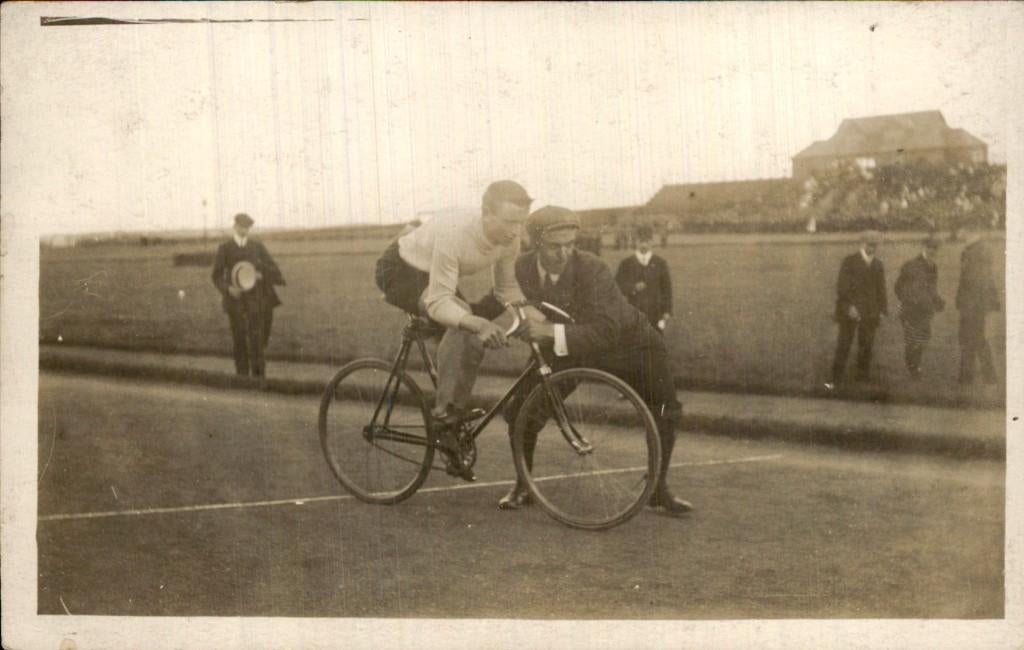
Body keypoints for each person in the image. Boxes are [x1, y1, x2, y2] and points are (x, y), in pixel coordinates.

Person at [499, 206, 693, 516]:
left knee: (666, 410)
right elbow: (500, 298)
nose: (564, 253)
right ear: (535, 243)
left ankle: (658, 488)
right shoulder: (522, 267)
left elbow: (607, 330)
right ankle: (524, 484)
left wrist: (546, 331)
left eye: (570, 244)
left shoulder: (592, 268)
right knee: (521, 408)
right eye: (554, 246)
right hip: (571, 344)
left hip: (629, 344)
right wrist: (464, 317)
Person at [373, 180, 535, 480]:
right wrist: (477, 323)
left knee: (464, 324)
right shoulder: (455, 232)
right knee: (466, 324)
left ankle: (451, 423)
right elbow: (438, 302)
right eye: (509, 221)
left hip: (435, 272)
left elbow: (506, 289)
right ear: (486, 213)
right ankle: (444, 418)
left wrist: (530, 316)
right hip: (400, 271)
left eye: (521, 222)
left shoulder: (509, 240)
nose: (516, 231)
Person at [211, 213, 286, 378]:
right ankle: (242, 378)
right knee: (239, 339)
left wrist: (261, 274)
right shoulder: (225, 248)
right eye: (241, 226)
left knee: (257, 340)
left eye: (247, 227)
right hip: (235, 300)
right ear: (235, 226)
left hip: (256, 299)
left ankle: (259, 378)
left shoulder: (257, 246)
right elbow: (216, 276)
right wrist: (228, 289)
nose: (244, 230)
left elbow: (274, 269)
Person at [828, 230, 887, 387]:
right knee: (844, 343)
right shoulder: (850, 261)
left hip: (870, 311)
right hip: (850, 310)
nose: (872, 248)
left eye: (875, 245)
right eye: (870, 245)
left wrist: (882, 310)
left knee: (866, 345)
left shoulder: (878, 264)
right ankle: (836, 376)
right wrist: (849, 306)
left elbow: (881, 289)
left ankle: (862, 376)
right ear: (862, 243)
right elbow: (842, 287)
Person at [894, 235, 945, 379]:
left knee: (923, 339)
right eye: (930, 247)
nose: (932, 251)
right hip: (911, 310)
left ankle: (915, 366)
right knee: (913, 340)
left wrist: (938, 301)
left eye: (935, 248)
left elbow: (932, 289)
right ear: (924, 247)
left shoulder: (933, 267)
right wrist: (908, 301)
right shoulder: (911, 265)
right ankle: (913, 369)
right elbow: (898, 287)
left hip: (926, 310)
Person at [955, 233, 1000, 384]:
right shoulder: (978, 250)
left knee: (970, 339)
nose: (961, 235)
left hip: (972, 305)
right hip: (976, 305)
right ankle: (985, 376)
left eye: (964, 232)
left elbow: (974, 280)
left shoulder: (973, 253)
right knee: (976, 339)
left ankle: (969, 377)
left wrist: (964, 303)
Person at [614, 225, 673, 332]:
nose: (644, 245)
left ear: (652, 242)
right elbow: (616, 286)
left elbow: (666, 288)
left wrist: (667, 310)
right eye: (641, 241)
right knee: (634, 337)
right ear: (635, 242)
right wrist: (633, 288)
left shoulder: (660, 263)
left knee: (655, 336)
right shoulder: (626, 263)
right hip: (633, 309)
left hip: (655, 311)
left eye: (647, 241)